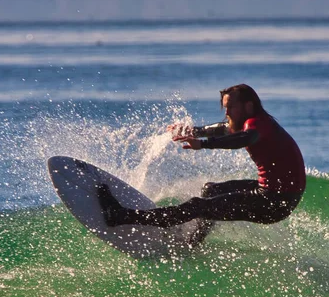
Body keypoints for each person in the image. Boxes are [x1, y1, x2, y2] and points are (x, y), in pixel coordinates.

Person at [97, 84, 306, 246]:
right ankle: (194, 242)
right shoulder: (253, 122)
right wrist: (193, 131)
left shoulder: (256, 125)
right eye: (225, 108)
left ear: (248, 106)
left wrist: (205, 144)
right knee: (211, 190)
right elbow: (224, 129)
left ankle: (121, 215)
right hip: (273, 194)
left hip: (274, 201)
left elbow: (242, 139)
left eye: (231, 107)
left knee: (197, 205)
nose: (227, 113)